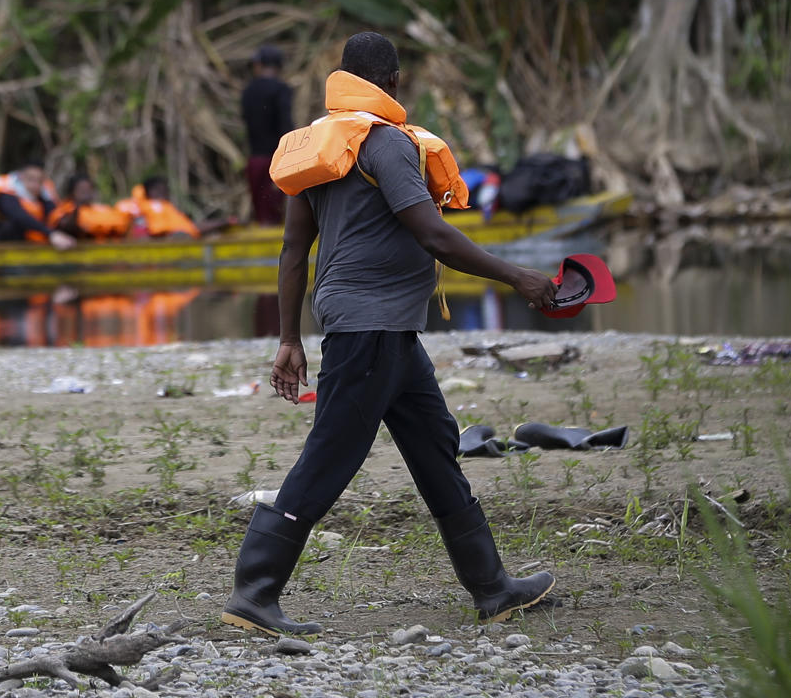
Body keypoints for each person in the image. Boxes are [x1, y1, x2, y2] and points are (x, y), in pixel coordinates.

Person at [222, 32, 559, 638]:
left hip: (390, 332)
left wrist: (289, 338)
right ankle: (255, 590)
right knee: (329, 458)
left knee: (435, 445)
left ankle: (492, 587)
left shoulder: (317, 145)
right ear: (394, 83)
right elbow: (435, 236)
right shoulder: (386, 144)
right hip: (368, 329)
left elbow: (293, 251)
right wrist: (518, 278)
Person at [242, 45, 294, 225]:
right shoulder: (281, 89)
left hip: (255, 160)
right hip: (277, 159)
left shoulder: (248, 91)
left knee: (262, 214)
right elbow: (285, 123)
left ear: (259, 65)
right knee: (276, 214)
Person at [0, 165, 74, 248]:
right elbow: (19, 216)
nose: (35, 185)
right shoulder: (5, 194)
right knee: (11, 226)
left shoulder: (44, 196)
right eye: (31, 180)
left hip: (30, 245)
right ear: (21, 177)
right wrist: (51, 234)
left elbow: (53, 215)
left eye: (39, 181)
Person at [116, 175, 205, 239]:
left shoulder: (153, 207)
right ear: (150, 191)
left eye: (166, 190)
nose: (166, 194)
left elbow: (190, 227)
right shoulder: (152, 207)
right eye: (162, 190)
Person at [49, 174, 133, 240]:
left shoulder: (100, 210)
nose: (86, 194)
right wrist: (76, 211)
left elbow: (121, 225)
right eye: (82, 190)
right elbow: (64, 227)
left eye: (89, 190)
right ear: (72, 192)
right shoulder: (65, 210)